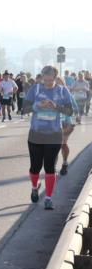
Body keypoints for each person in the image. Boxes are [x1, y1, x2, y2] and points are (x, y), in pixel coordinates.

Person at [24, 66, 77, 209]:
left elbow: (70, 111)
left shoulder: (62, 91)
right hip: (36, 134)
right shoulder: (35, 89)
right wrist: (37, 105)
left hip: (54, 134)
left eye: (50, 80)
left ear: (55, 78)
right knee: (35, 167)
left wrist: (56, 107)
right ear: (42, 77)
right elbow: (24, 109)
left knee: (49, 166)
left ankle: (48, 198)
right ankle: (34, 187)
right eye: (45, 80)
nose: (47, 83)